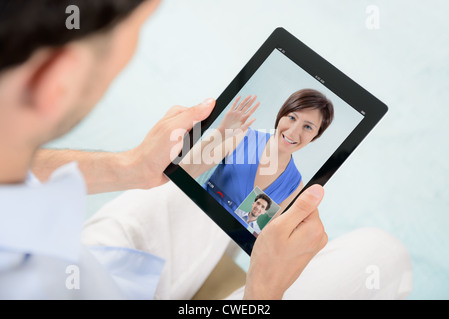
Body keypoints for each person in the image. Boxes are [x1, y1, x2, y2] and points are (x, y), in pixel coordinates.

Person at [0, 0, 413, 300]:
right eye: (134, 34)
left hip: (102, 265)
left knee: (185, 185)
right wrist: (262, 293)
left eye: (309, 127)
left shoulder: (292, 179)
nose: (296, 130)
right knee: (382, 253)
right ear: (55, 80)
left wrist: (129, 167)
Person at [182, 89, 334, 216]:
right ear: (281, 116)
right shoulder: (242, 137)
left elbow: (259, 237)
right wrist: (220, 133)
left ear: (315, 136)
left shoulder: (294, 185)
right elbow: (183, 172)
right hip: (188, 213)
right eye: (292, 117)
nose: (293, 132)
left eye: (308, 127)